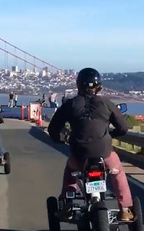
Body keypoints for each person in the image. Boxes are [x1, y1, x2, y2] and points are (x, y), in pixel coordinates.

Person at [47, 67, 135, 222]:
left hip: (79, 154)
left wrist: (60, 138)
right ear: (98, 86)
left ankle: (68, 202)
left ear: (78, 85)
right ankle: (125, 208)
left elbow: (53, 128)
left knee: (71, 171)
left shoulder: (70, 104)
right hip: (104, 152)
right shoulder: (106, 103)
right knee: (117, 171)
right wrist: (111, 135)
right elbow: (123, 128)